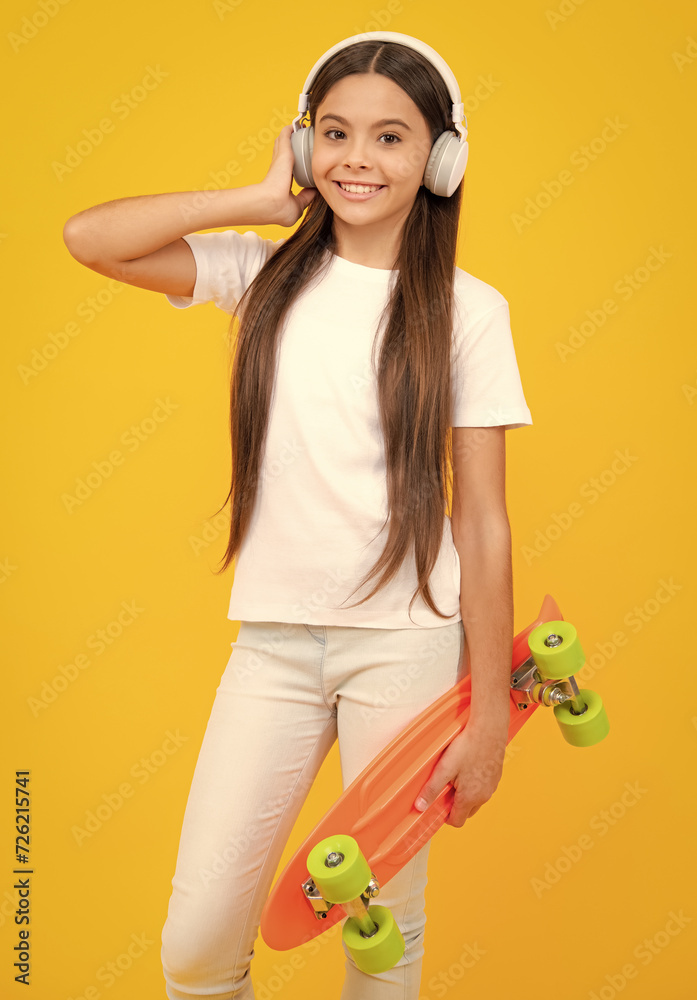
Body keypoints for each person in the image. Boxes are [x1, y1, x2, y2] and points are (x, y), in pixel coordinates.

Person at [63, 30, 532, 1000]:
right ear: (304, 142)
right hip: (272, 643)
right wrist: (253, 200)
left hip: (404, 649)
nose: (358, 158)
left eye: (391, 138)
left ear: (440, 160)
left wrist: (489, 713)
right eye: (335, 132)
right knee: (197, 941)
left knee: (380, 938)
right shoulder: (262, 276)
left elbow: (484, 520)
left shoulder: (467, 311)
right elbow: (89, 239)